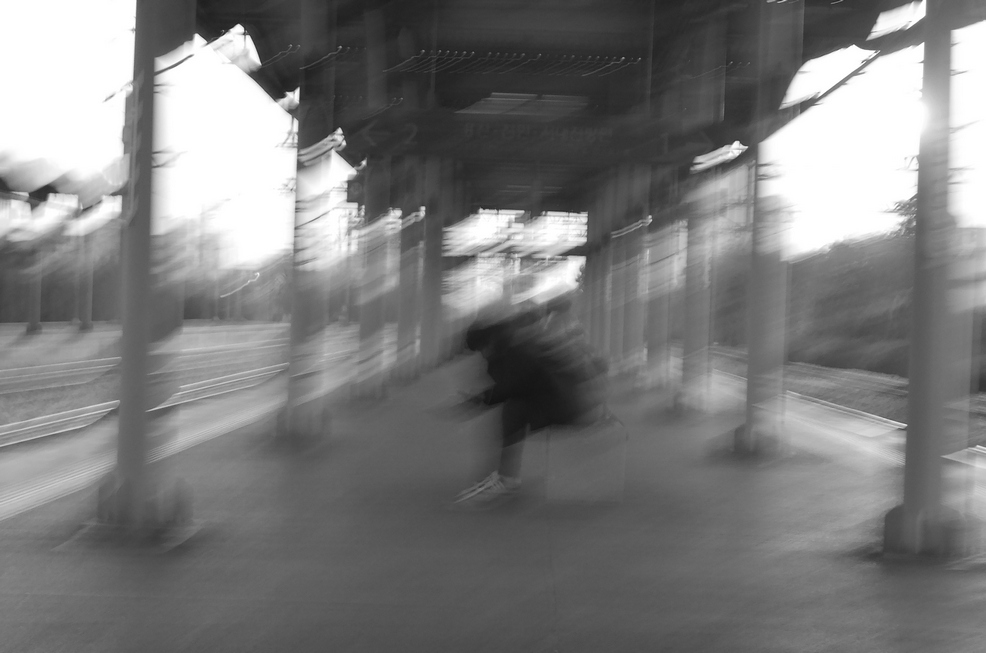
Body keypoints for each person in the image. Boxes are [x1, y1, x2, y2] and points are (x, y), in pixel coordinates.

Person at [452, 298, 606, 509]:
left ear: (492, 339)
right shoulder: (517, 348)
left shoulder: (517, 352)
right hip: (563, 405)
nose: (482, 353)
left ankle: (506, 479)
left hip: (566, 409)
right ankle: (504, 477)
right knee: (515, 408)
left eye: (482, 348)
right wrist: (479, 398)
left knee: (514, 410)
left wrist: (476, 401)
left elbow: (510, 387)